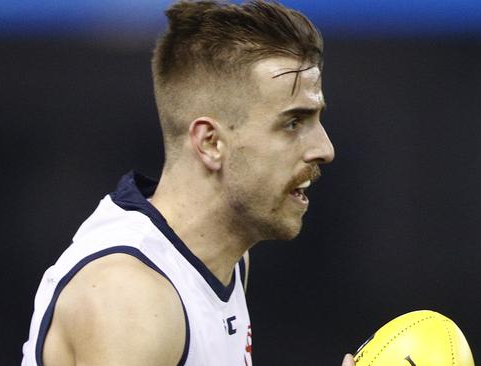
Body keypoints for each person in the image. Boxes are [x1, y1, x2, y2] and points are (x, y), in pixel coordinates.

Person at [22, 1, 354, 365]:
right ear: (210, 143)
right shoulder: (130, 299)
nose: (325, 149)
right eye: (293, 123)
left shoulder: (225, 259)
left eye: (316, 119)